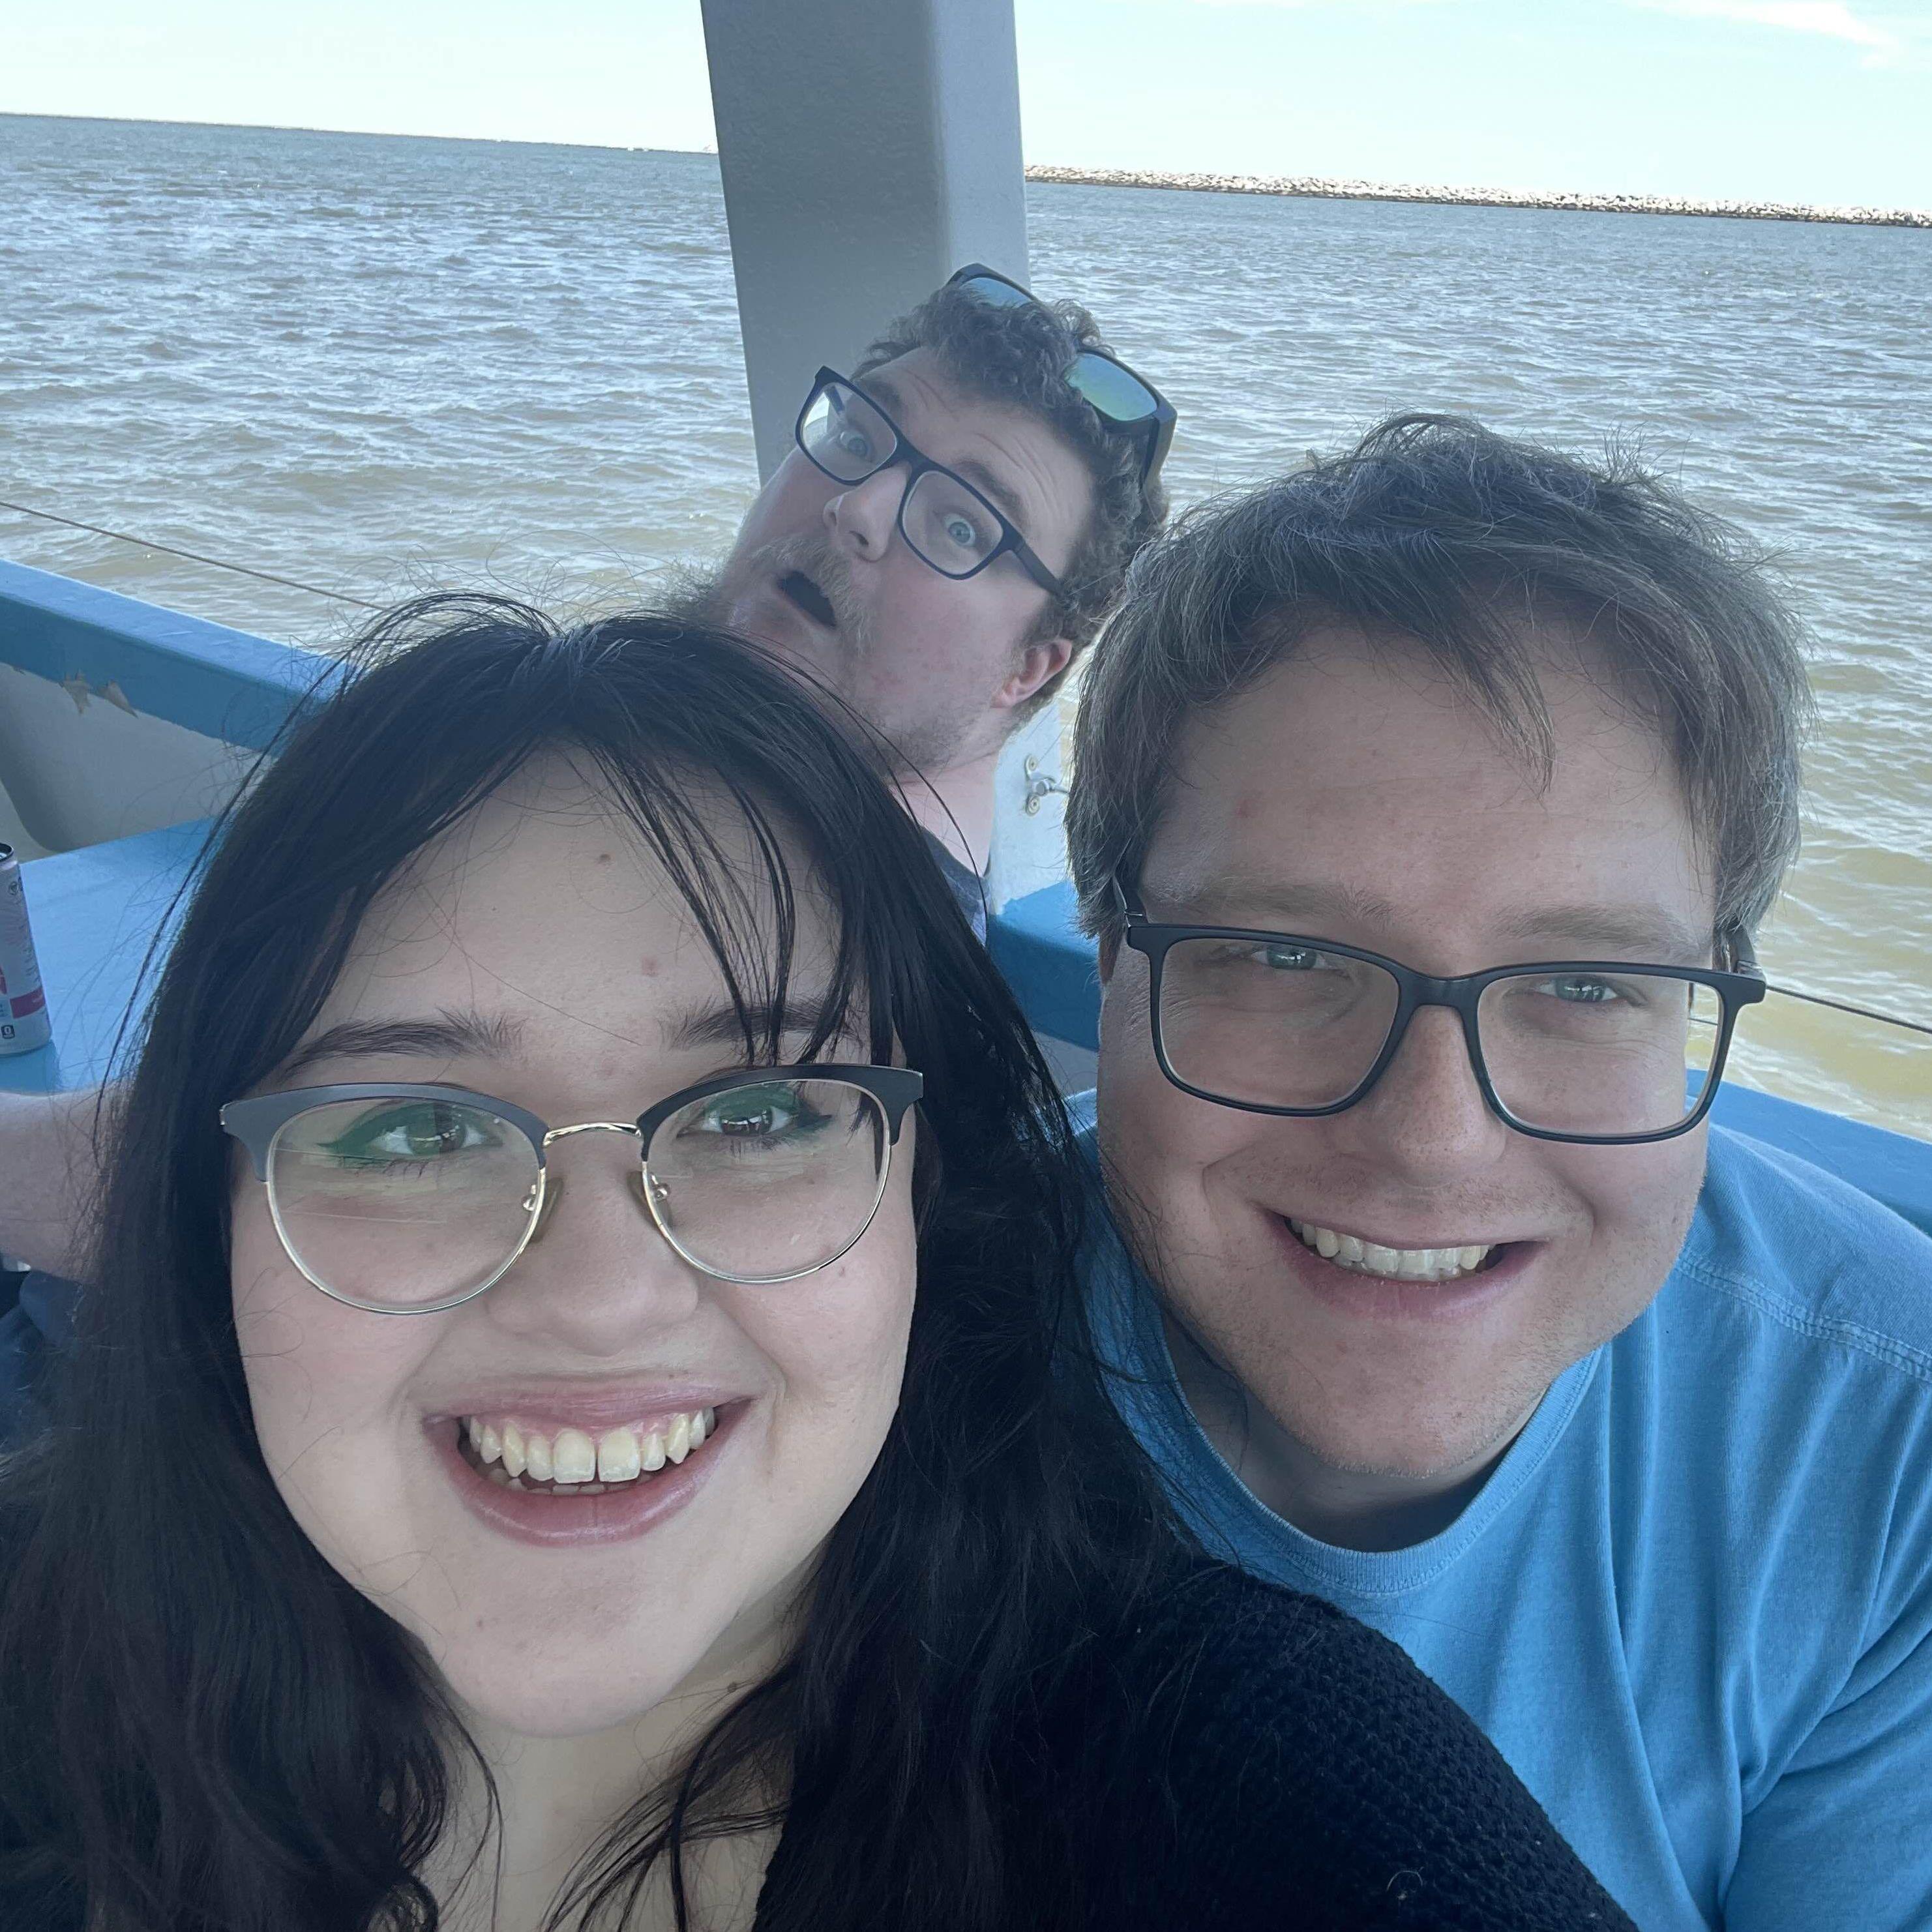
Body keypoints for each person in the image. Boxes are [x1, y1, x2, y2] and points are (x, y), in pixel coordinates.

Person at [0, 599, 1635, 1931]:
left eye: (764, 1110)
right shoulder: (41, 1637)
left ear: (929, 1209)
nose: (596, 1293)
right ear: (209, 1214)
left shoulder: (1254, 1799)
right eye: (418, 1129)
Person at [1063, 414, 1932, 1932]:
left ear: (1709, 987)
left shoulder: (1891, 1448)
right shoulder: (861, 1351)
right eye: (1286, 954)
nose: (1436, 1137)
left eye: (1588, 983)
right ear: (1105, 945)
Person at [0, 263, 1170, 1290]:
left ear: (1033, 667)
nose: (856, 510)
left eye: (961, 525)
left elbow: (192, 1198)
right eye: (859, 437)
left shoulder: (753, 909)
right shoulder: (699, 805)